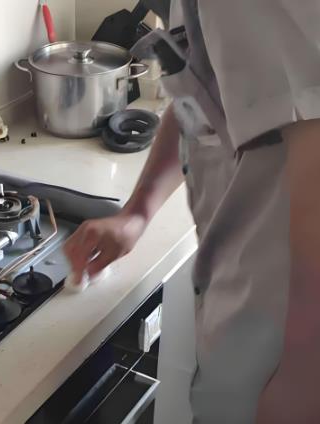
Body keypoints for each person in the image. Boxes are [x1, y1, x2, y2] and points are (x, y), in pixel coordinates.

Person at [64, 1, 320, 423]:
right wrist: (136, 213)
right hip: (241, 316)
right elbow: (196, 95)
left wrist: (301, 379)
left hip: (281, 347)